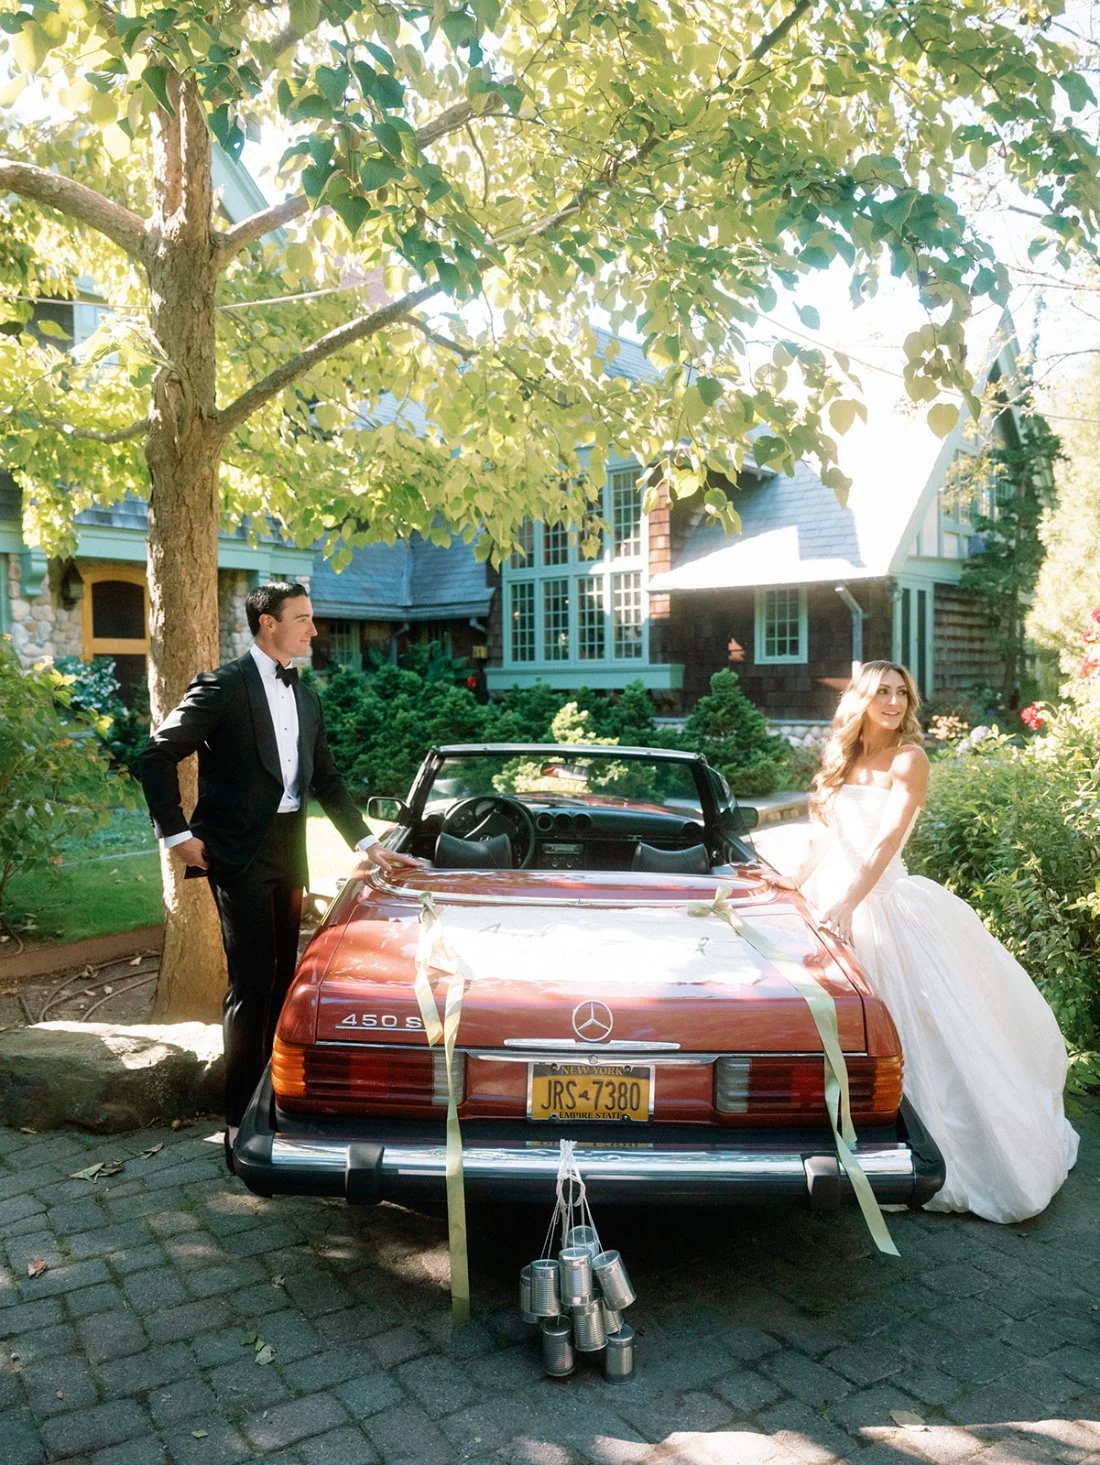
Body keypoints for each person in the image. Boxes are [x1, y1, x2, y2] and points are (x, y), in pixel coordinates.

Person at [771, 660, 1078, 1223]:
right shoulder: (843, 760)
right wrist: (795, 882)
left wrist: (847, 903)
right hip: (835, 904)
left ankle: (933, 1154)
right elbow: (824, 839)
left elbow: (885, 843)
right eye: (882, 692)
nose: (893, 702)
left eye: (901, 693)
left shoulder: (910, 759)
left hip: (887, 906)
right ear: (860, 700)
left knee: (918, 1031)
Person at [139, 581, 421, 1163]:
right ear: (268, 623)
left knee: (281, 981)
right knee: (250, 986)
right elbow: (156, 755)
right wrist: (178, 835)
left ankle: (280, 1098)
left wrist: (368, 843)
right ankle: (240, 1120)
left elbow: (329, 782)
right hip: (236, 855)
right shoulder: (221, 687)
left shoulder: (306, 698)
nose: (313, 630)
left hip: (290, 851)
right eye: (303, 619)